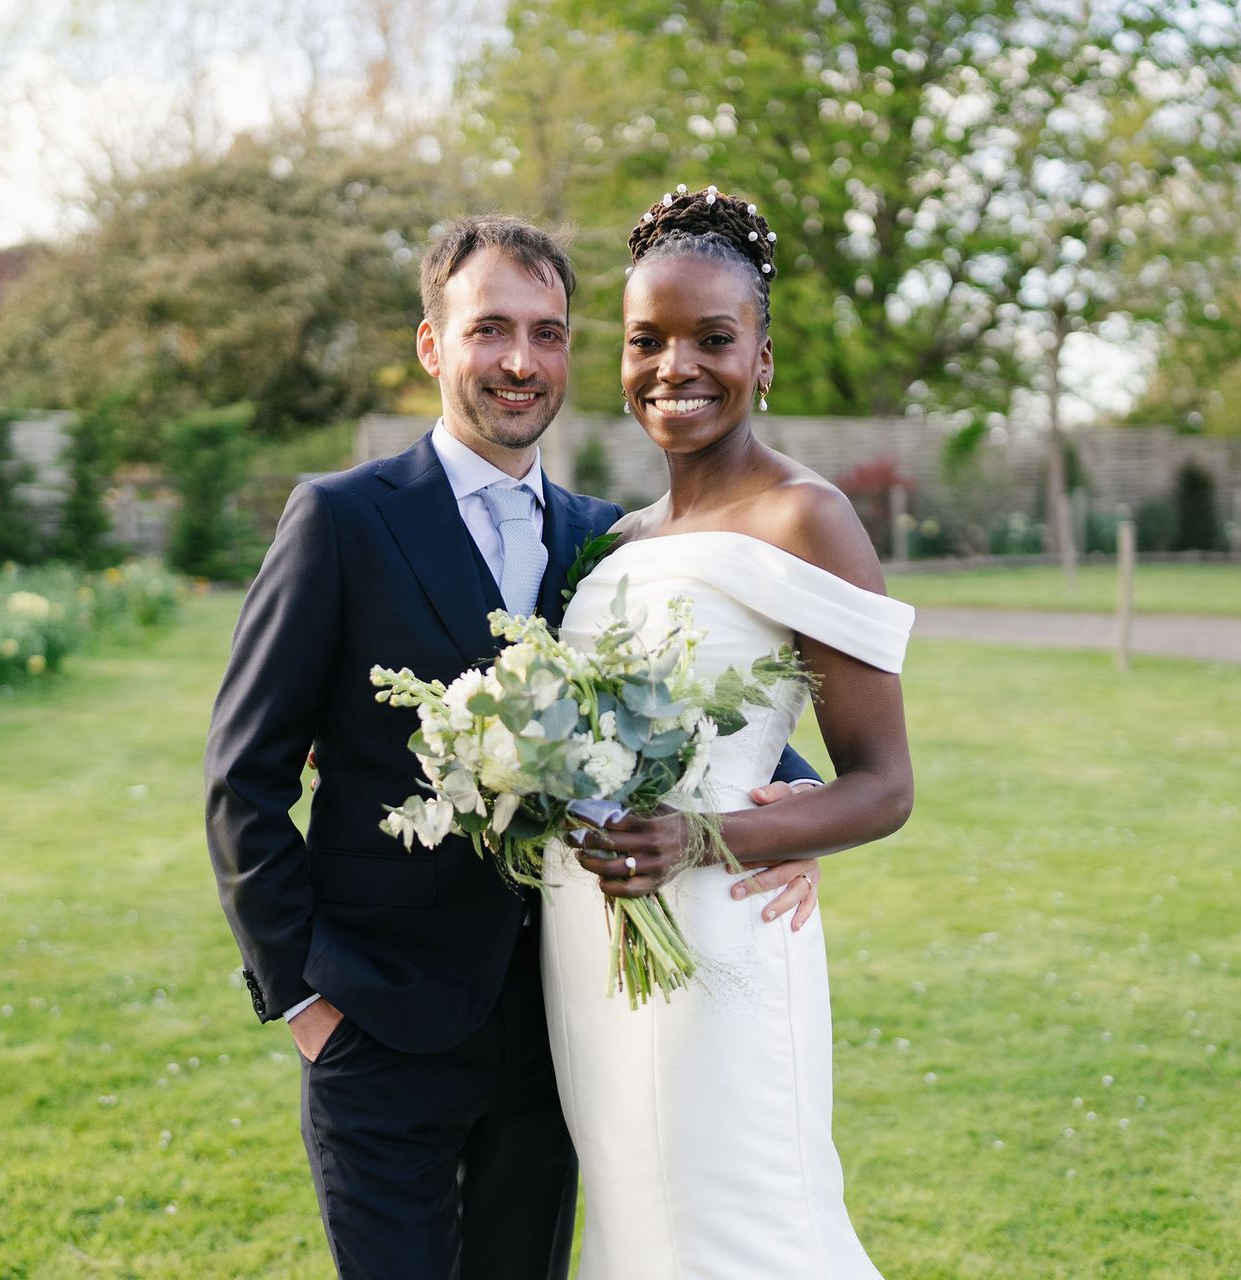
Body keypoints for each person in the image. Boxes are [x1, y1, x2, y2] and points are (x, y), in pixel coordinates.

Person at [203, 214, 826, 1280]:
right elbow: (244, 778)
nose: (521, 361)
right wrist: (305, 1000)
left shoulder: (606, 541)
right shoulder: (342, 520)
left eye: (548, 332)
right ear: (433, 345)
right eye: (491, 328)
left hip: (557, 1029)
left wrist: (789, 813)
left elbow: (695, 709)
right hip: (378, 1028)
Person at [541, 187, 916, 1279]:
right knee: (635, 1228)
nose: (675, 367)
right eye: (646, 340)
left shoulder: (808, 517)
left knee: (745, 1229)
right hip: (588, 947)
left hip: (724, 940)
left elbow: (885, 784)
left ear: (761, 356)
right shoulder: (612, 540)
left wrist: (703, 837)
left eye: (712, 339)